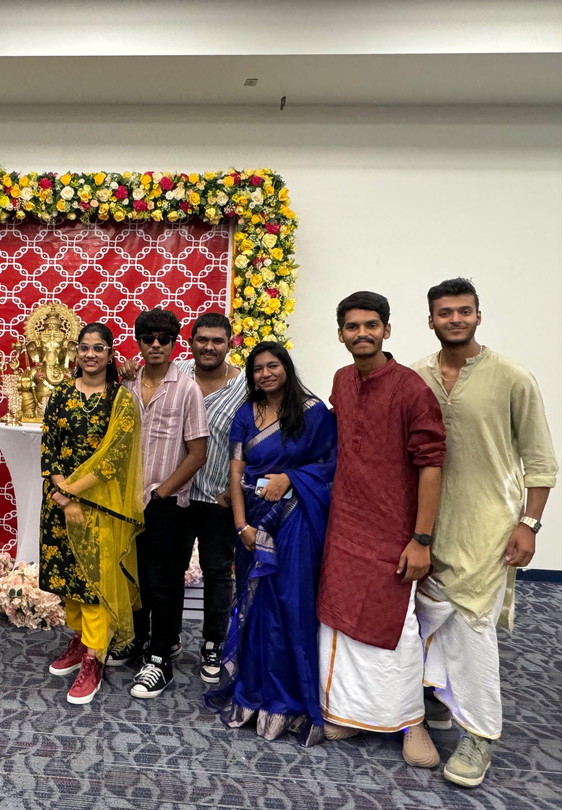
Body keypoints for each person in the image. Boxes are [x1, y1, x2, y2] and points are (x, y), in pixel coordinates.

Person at [412, 278, 557, 787]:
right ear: (430, 320)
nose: (455, 319)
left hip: (489, 527)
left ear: (478, 315)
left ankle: (480, 735)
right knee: (425, 620)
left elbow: (540, 461)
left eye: (464, 311)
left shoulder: (513, 377)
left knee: (473, 630)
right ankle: (437, 699)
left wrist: (529, 524)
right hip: (427, 525)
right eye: (445, 313)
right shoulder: (416, 376)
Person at [317, 291, 446, 769]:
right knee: (342, 624)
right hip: (345, 524)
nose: (362, 333)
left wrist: (421, 539)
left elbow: (431, 465)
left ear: (387, 330)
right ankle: (353, 714)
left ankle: (412, 721)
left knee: (397, 628)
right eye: (353, 327)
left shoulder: (411, 389)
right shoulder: (342, 380)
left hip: (395, 532)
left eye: (371, 325)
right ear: (341, 335)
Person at [203, 343, 337, 746]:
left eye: (272, 365)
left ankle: (289, 701)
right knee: (255, 606)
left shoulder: (313, 412)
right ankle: (254, 694)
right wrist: (241, 524)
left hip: (297, 519)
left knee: (289, 605)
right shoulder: (246, 413)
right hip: (254, 524)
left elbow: (333, 463)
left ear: (286, 367)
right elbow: (236, 472)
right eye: (258, 368)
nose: (265, 373)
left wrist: (292, 478)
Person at [40, 323, 145, 705]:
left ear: (110, 354)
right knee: (68, 578)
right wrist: (60, 490)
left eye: (98, 348)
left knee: (94, 581)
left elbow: (116, 457)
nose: (90, 355)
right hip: (58, 501)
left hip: (100, 506)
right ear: (76, 353)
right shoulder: (62, 394)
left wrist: (71, 493)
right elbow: (48, 443)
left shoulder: (121, 399)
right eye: (84, 348)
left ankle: (95, 656)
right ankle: (82, 637)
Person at [112, 308, 207, 700]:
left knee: (162, 583)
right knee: (132, 578)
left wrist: (162, 492)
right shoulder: (125, 386)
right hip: (124, 503)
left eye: (162, 339)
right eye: (148, 338)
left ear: (173, 344)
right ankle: (138, 641)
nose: (155, 345)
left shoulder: (186, 388)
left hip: (165, 502)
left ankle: (161, 658)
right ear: (138, 342)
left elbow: (197, 451)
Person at [173, 313, 248, 684]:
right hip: (176, 495)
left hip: (218, 497)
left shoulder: (246, 386)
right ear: (191, 341)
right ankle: (167, 641)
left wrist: (238, 489)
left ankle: (213, 644)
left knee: (219, 574)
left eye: (217, 340)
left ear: (229, 343)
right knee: (169, 570)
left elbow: (259, 436)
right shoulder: (176, 373)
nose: (209, 346)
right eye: (202, 339)